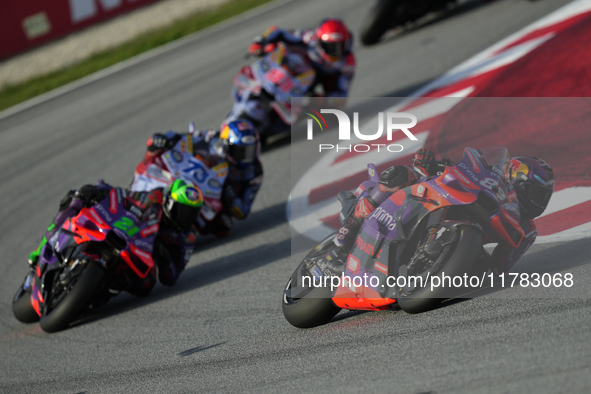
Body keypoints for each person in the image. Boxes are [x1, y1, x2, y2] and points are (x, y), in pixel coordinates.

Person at [334, 148, 555, 274]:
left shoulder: (526, 229)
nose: (538, 200)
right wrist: (431, 163)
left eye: (542, 196)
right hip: (434, 200)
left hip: (466, 242)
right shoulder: (489, 176)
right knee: (399, 174)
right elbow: (456, 169)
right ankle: (352, 225)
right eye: (535, 192)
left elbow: (500, 268)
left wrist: (474, 262)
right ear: (516, 178)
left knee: (478, 271)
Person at [27, 179, 201, 297]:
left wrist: (163, 254)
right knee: (75, 199)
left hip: (138, 260)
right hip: (115, 231)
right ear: (169, 201)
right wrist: (96, 190)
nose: (185, 217)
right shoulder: (152, 198)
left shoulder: (186, 237)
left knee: (146, 285)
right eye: (182, 210)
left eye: (191, 213)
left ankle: (98, 292)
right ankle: (41, 248)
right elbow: (123, 195)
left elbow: (171, 277)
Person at [143, 119, 263, 237]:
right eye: (240, 151)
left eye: (250, 150)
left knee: (224, 225)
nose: (245, 157)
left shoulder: (255, 172)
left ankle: (184, 233)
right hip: (195, 178)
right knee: (156, 155)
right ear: (226, 145)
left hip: (217, 202)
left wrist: (231, 198)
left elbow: (243, 212)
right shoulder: (212, 138)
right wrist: (164, 139)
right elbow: (185, 137)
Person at [247, 19, 356, 98]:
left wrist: (323, 101)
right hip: (290, 65)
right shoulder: (310, 37)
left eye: (341, 46)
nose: (335, 51)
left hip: (310, 85)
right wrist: (260, 42)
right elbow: (278, 31)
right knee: (276, 47)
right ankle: (259, 75)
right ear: (319, 40)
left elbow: (342, 92)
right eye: (330, 46)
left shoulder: (347, 64)